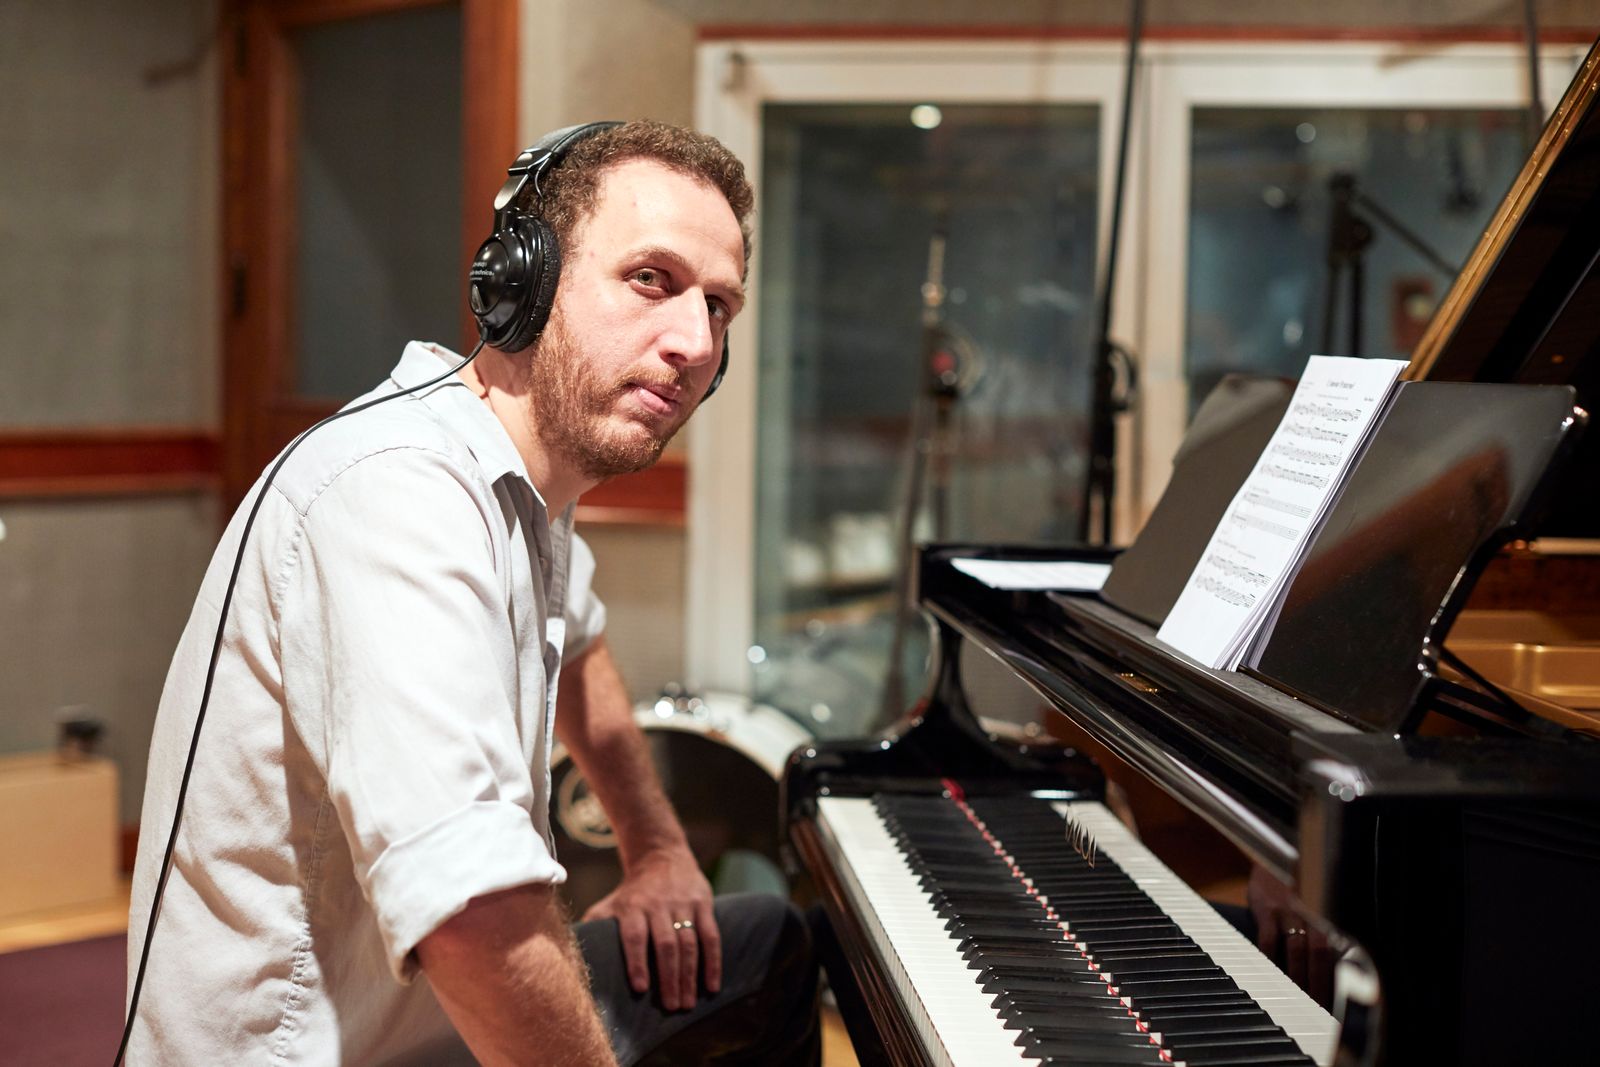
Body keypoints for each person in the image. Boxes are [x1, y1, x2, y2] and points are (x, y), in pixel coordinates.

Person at [125, 120, 818, 1065]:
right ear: (523, 282)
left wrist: (655, 846)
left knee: (767, 947)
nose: (695, 343)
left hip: (430, 1027)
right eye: (652, 279)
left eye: (719, 306)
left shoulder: (525, 485)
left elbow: (579, 641)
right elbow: (475, 923)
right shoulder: (395, 494)